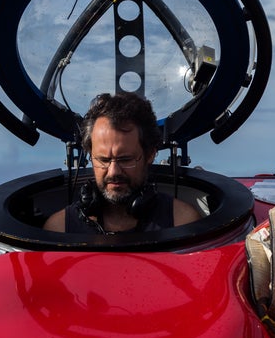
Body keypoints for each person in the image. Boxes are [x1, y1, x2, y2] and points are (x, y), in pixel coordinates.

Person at [44, 92, 201, 233]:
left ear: (150, 155)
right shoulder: (59, 229)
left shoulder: (183, 222)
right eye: (103, 160)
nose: (113, 172)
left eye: (125, 159)